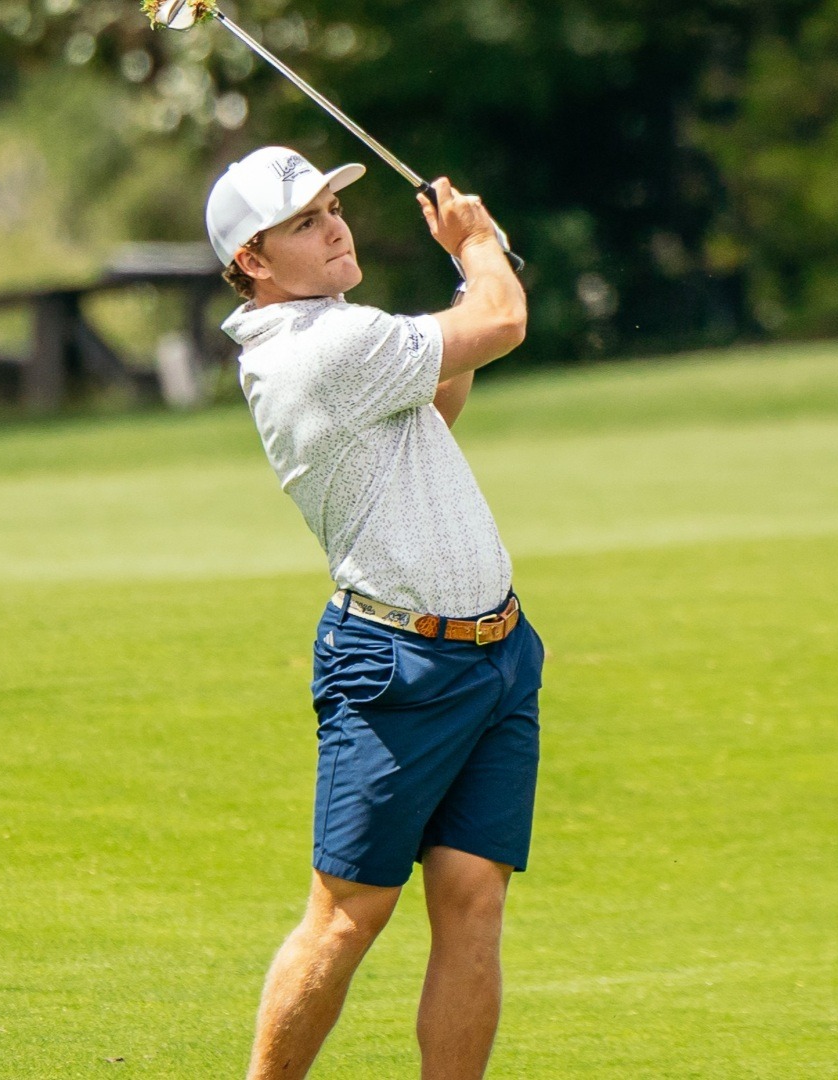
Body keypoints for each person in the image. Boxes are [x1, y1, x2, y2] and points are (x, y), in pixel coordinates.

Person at [209, 146, 541, 1079]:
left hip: (498, 653)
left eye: (331, 208)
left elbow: (440, 401)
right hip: (397, 667)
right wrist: (479, 247)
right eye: (305, 222)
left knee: (474, 901)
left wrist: (474, 269)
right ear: (255, 263)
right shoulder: (320, 350)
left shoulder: (345, 332)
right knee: (349, 912)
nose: (335, 226)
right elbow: (505, 320)